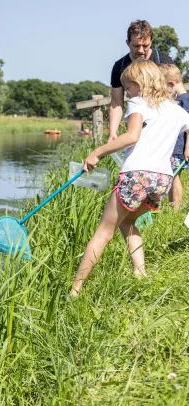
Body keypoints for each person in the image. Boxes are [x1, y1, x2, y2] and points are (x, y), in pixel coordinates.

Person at [71, 60, 189, 297]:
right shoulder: (177, 110)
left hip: (137, 175)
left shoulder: (138, 103)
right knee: (127, 222)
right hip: (162, 181)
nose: (126, 95)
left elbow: (132, 136)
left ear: (140, 84)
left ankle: (75, 290)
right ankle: (140, 272)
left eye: (128, 88)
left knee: (104, 232)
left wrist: (97, 152)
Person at [108, 20, 175, 143]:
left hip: (162, 124)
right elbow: (117, 103)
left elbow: (173, 95)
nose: (141, 50)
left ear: (151, 42)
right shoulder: (119, 66)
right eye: (136, 45)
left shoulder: (164, 61)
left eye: (145, 45)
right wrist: (113, 132)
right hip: (136, 123)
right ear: (127, 43)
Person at [160, 64, 189, 210]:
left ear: (171, 85)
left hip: (180, 147)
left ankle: (175, 208)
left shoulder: (185, 101)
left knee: (175, 176)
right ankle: (172, 206)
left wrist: (187, 149)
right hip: (175, 146)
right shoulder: (179, 101)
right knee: (172, 175)